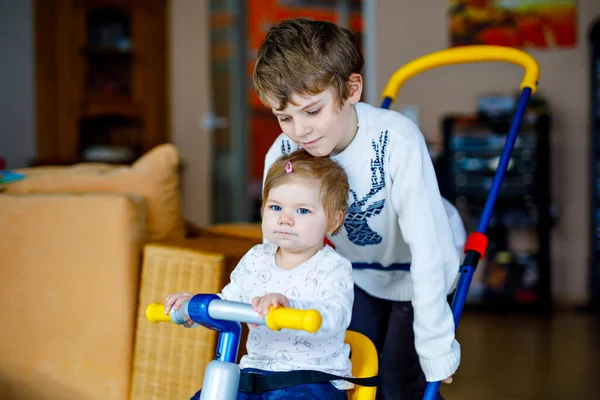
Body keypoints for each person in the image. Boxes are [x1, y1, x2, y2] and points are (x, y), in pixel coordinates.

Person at [254, 18, 467, 400]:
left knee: (402, 381)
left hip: (424, 262)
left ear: (351, 89)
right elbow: (278, 246)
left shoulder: (396, 140)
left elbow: (428, 247)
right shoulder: (285, 154)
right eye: (285, 117)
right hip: (359, 270)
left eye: (312, 111)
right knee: (351, 370)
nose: (299, 130)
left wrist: (436, 345)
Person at [165, 149, 355, 400]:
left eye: (302, 211)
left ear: (333, 221)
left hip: (310, 379)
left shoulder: (333, 267)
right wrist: (198, 307)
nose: (285, 219)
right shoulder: (256, 257)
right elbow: (229, 302)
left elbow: (335, 317)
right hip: (253, 374)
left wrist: (290, 307)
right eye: (276, 207)